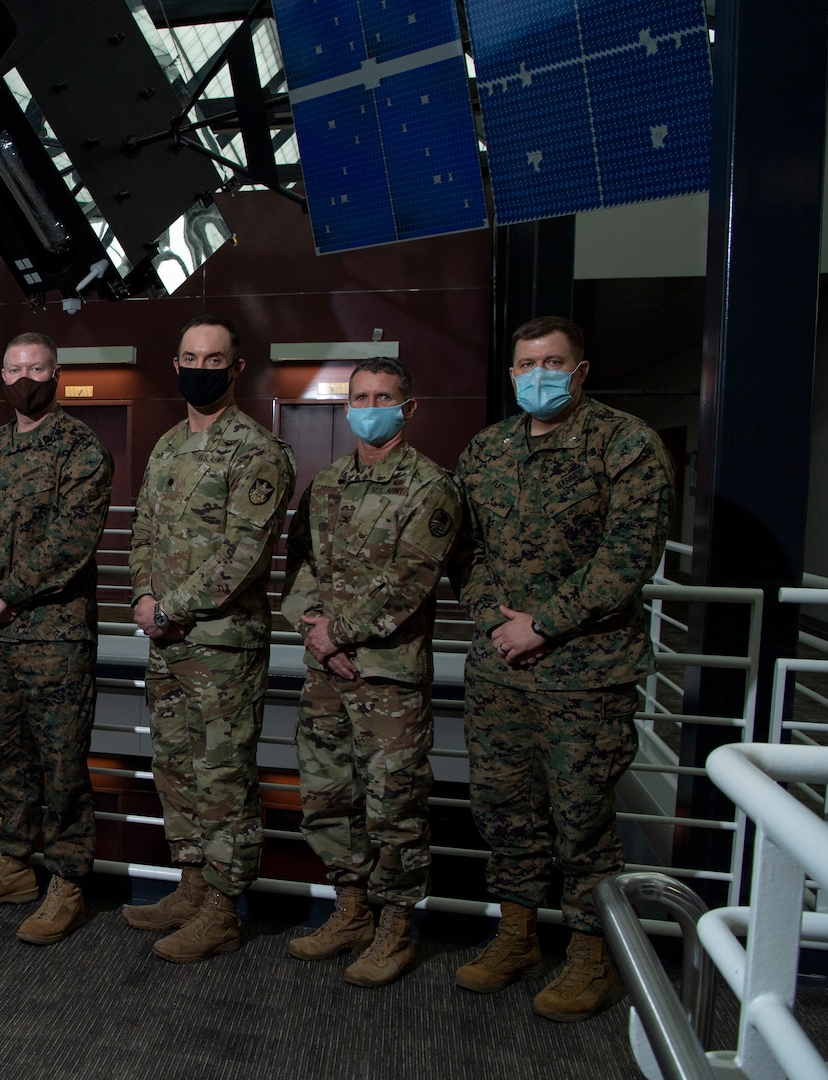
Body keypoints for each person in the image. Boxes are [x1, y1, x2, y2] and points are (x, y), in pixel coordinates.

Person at [452, 315, 673, 1021]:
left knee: (581, 819)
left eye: (550, 362)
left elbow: (628, 556)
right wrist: (496, 620)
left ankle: (590, 952)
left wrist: (542, 623)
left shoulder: (626, 444)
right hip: (499, 669)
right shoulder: (485, 450)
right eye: (523, 364)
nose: (534, 375)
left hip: (585, 672)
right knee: (503, 810)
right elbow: (465, 551)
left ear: (579, 371)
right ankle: (515, 932)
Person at [279, 356, 460, 986]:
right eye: (359, 396)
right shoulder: (327, 483)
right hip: (327, 671)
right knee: (327, 796)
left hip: (388, 677)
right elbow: (299, 567)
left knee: (394, 805)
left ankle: (395, 926)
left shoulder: (431, 486)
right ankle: (350, 909)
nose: (369, 405)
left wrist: (339, 631)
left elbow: (410, 578)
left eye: (382, 396)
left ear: (407, 409)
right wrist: (316, 632)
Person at [122, 316, 295, 964]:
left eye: (213, 357)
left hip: (221, 645)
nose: (201, 366)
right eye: (190, 356)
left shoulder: (257, 450)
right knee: (174, 769)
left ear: (236, 367)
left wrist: (168, 604)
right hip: (165, 641)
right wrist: (142, 596)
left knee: (222, 776)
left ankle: (222, 907)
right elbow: (140, 530)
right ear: (175, 364)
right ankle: (190, 886)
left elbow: (243, 556)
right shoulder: (166, 445)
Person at [0, 331, 113, 945]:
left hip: (55, 637)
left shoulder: (80, 448)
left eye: (37, 368)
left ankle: (66, 879)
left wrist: (8, 591)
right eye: (16, 368)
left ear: (57, 373)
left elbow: (72, 542)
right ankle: (16, 865)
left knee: (61, 763)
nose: (27, 378)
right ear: (1, 374)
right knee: (2, 759)